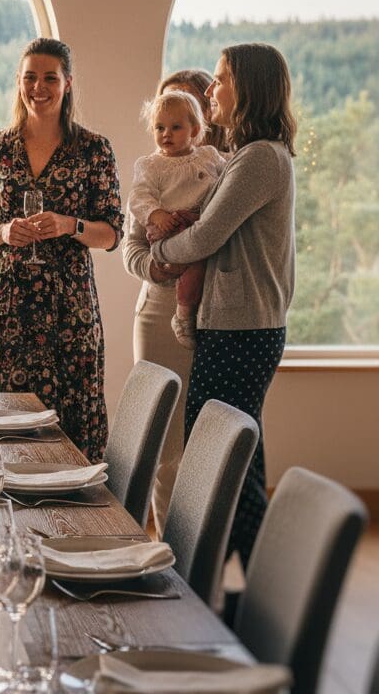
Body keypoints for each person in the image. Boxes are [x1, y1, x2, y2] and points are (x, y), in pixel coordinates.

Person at [151, 43, 296, 566]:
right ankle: (258, 589)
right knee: (238, 461)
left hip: (243, 329)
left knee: (219, 459)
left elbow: (206, 236)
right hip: (238, 327)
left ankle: (227, 580)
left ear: (249, 89)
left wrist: (157, 254)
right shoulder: (250, 156)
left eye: (220, 79)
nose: (210, 89)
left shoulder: (259, 158)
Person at [0, 38, 123, 462]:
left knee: (71, 423)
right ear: (19, 83)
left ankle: (78, 519)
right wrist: (2, 231)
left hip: (69, 309)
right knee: (3, 423)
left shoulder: (94, 150)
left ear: (67, 83)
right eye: (30, 77)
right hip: (8, 306)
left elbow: (111, 234)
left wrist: (70, 225)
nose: (40, 87)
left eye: (50, 78)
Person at [123, 68, 221, 538]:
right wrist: (163, 263)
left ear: (199, 122)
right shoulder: (151, 175)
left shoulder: (217, 165)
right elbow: (132, 251)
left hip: (218, 310)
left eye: (177, 122)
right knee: (167, 441)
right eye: (159, 124)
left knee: (209, 437)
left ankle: (202, 554)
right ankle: (169, 546)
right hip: (161, 311)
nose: (166, 134)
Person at [127, 90, 226, 349]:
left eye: (175, 127)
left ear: (195, 129)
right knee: (191, 265)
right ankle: (183, 315)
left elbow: (229, 184)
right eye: (159, 127)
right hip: (167, 229)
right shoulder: (151, 166)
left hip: (199, 227)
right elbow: (138, 198)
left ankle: (186, 313)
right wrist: (156, 214)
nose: (166, 134)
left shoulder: (209, 157)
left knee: (200, 263)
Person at [159, 68, 226, 152]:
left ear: (209, 110)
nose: (172, 114)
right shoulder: (154, 162)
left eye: (185, 105)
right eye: (167, 105)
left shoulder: (226, 160)